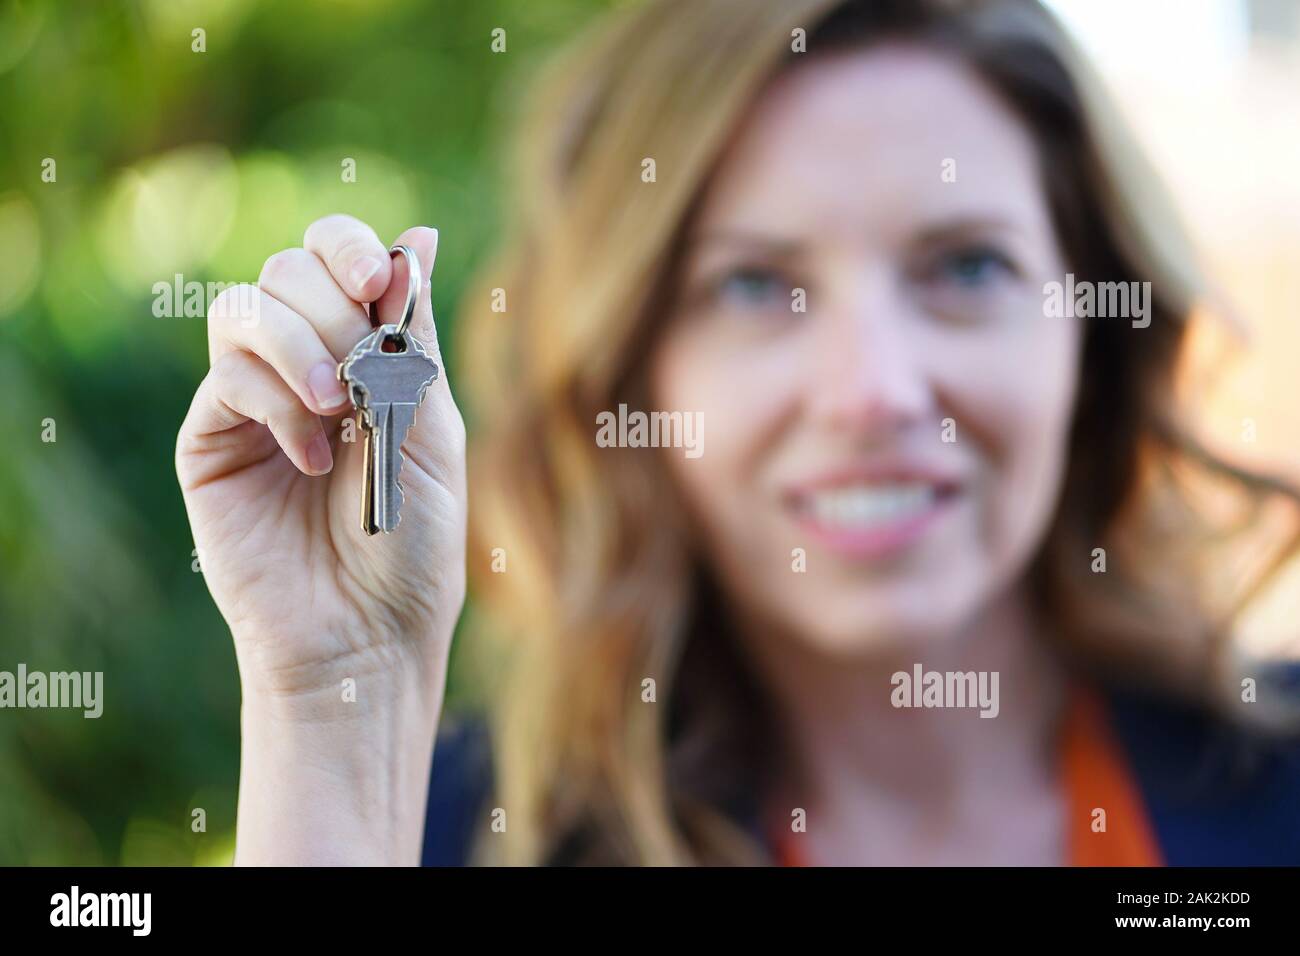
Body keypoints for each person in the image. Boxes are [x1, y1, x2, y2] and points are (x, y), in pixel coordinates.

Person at [175, 0, 1300, 866]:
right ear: (631, 365)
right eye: (756, 285)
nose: (871, 393)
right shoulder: (453, 830)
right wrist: (330, 714)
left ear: (1094, 333)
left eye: (966, 266)